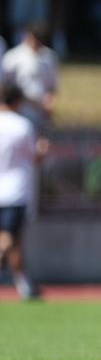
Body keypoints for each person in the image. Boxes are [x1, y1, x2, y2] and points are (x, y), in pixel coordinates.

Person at [0, 84, 42, 300]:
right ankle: (23, 284)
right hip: (15, 191)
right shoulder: (22, 126)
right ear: (17, 102)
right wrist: (43, 151)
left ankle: (23, 285)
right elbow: (34, 157)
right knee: (10, 238)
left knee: (13, 241)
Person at [1, 23, 58, 137]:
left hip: (40, 111)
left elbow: (52, 87)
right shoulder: (13, 57)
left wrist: (50, 102)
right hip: (20, 108)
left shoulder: (49, 57)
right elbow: (4, 85)